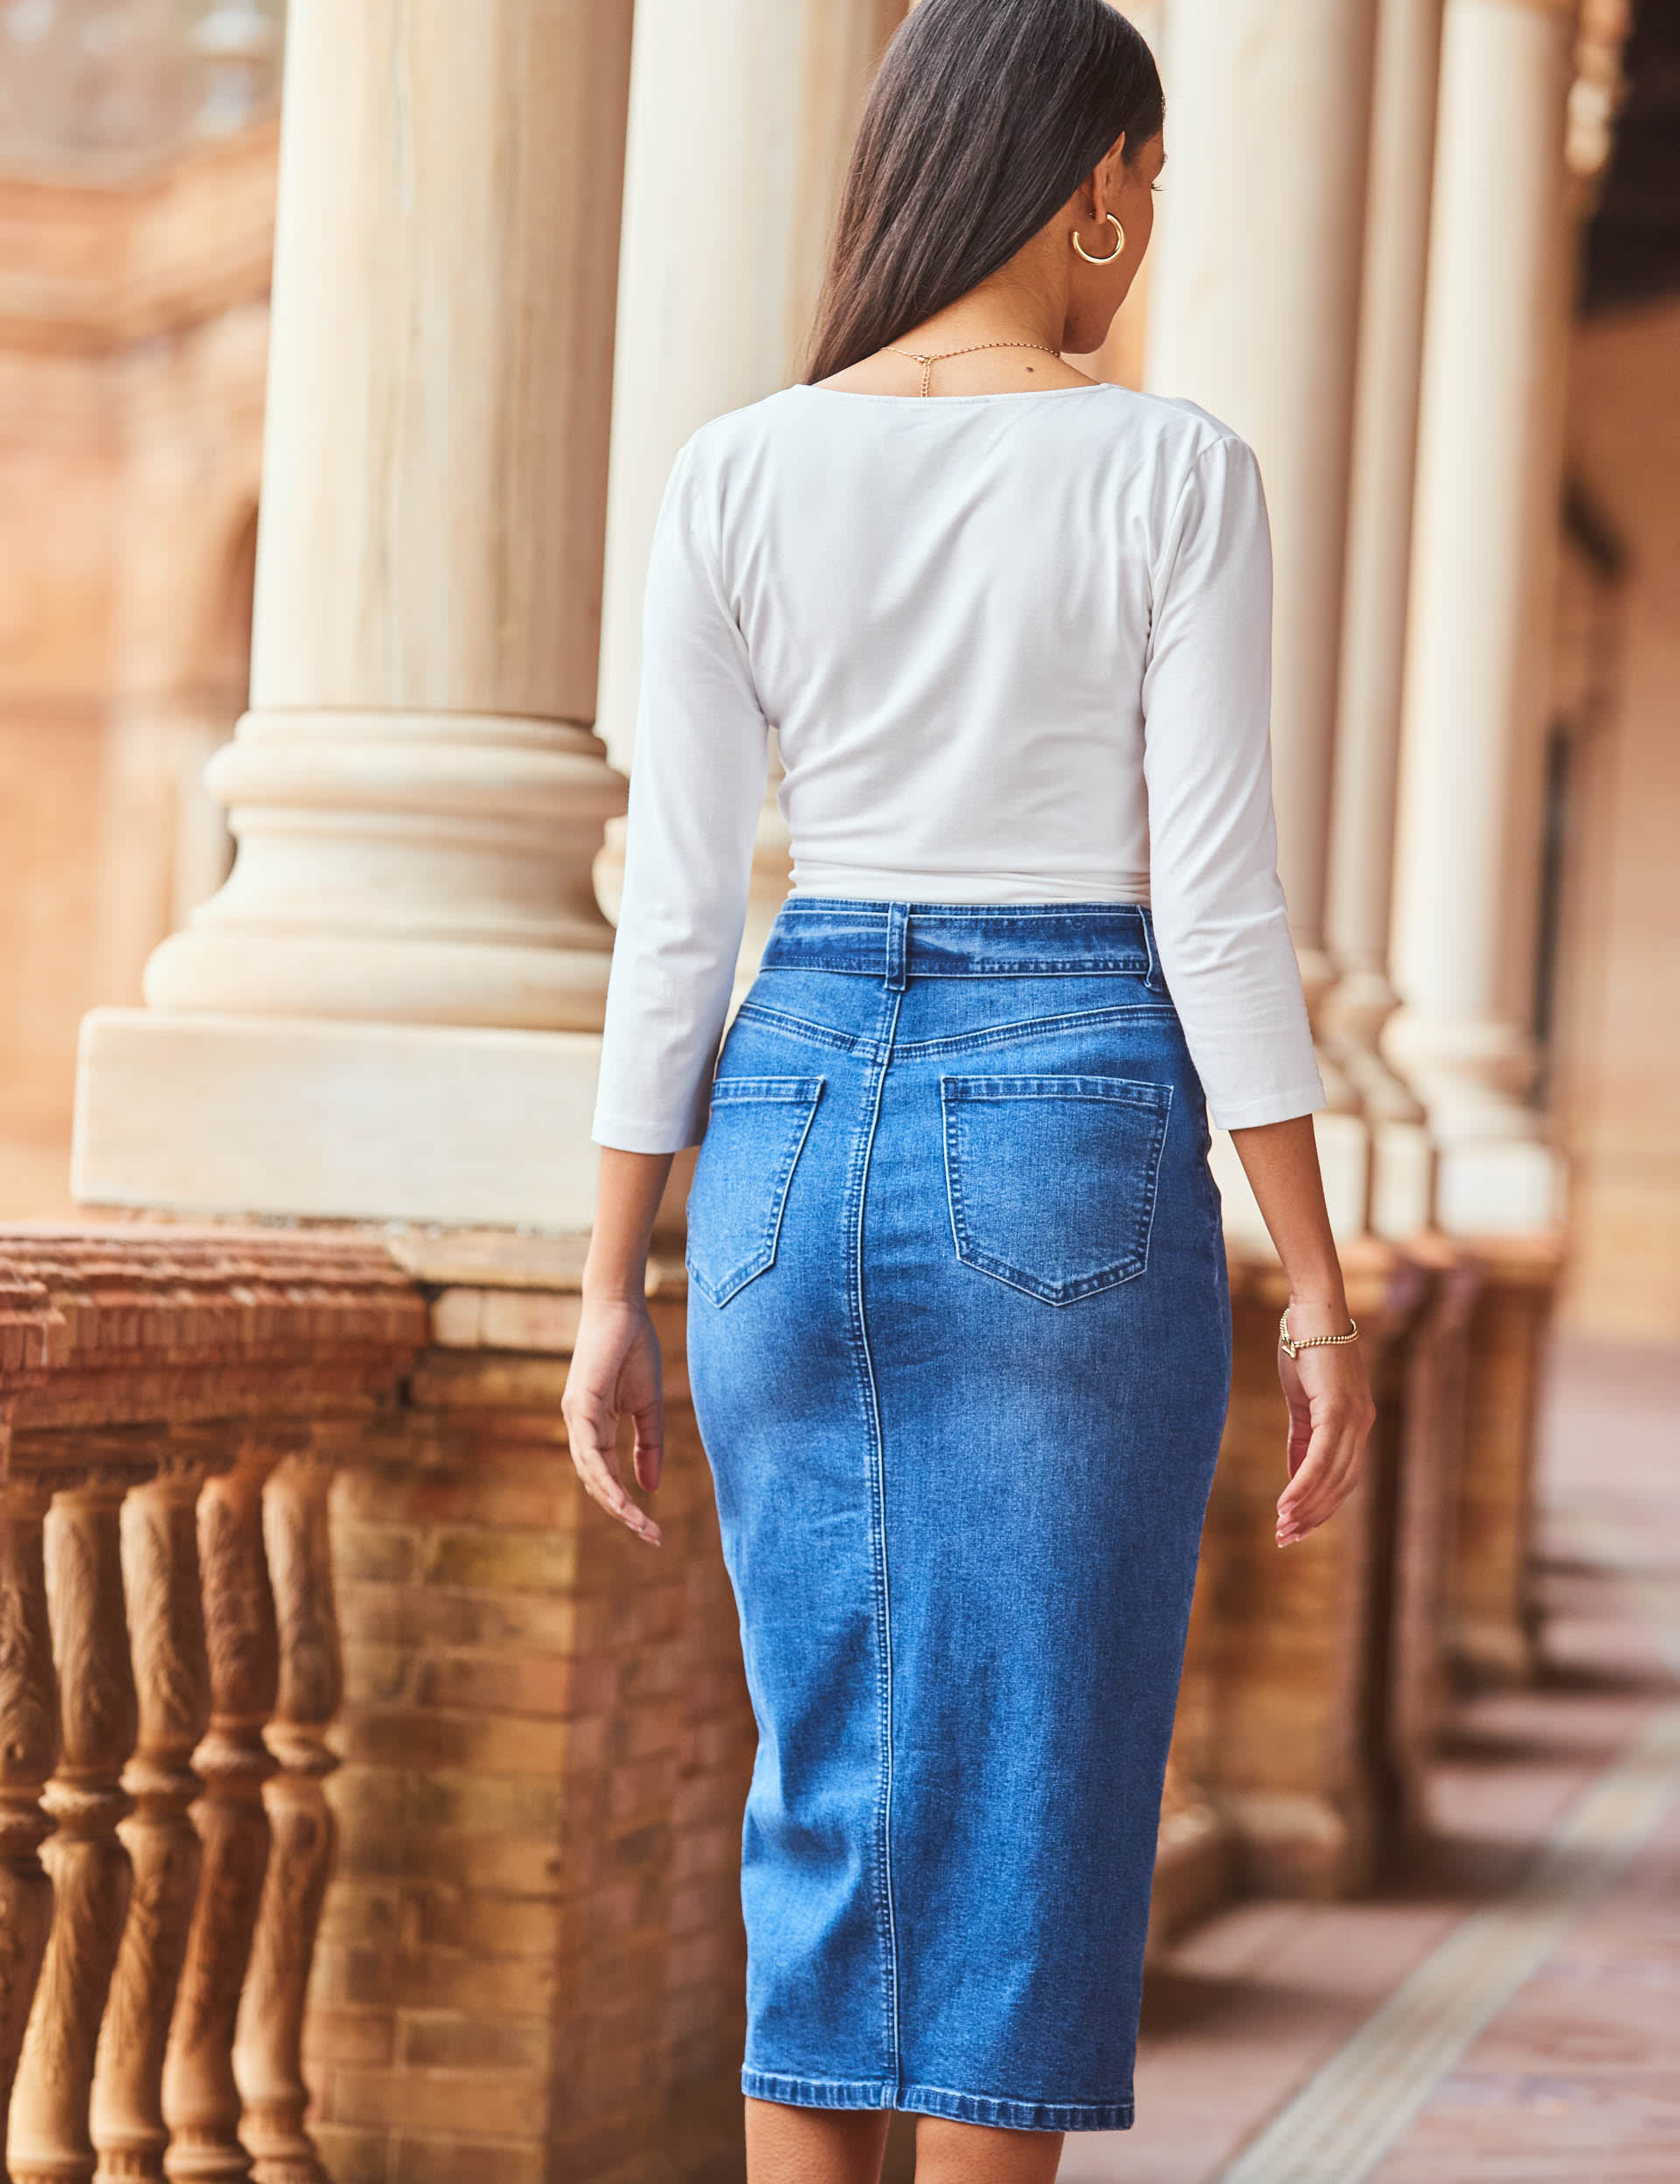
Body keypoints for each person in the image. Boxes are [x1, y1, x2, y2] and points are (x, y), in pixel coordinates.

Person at [564, 1, 1376, 2176]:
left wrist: (604, 1280)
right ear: (1097, 181)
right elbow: (1219, 912)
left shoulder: (737, 468)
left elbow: (677, 923)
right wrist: (1317, 1286)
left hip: (786, 1118)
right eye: (1149, 186)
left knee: (826, 1811)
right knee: (1027, 1821)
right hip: (1066, 1112)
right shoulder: (1168, 469)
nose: (1144, 230)